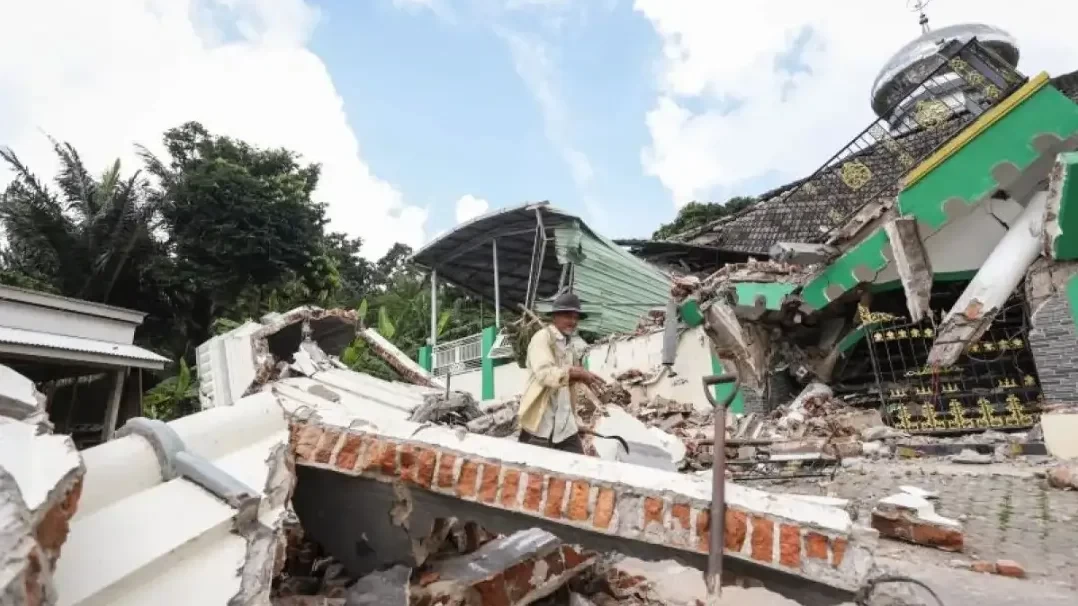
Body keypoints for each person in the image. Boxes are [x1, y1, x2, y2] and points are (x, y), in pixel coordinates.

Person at [517, 292, 604, 454]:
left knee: (577, 469)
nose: (573, 321)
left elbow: (567, 384)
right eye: (568, 316)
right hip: (540, 425)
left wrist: (581, 377)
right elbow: (546, 374)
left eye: (575, 317)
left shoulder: (569, 347)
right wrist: (575, 373)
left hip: (565, 427)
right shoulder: (542, 338)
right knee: (534, 475)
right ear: (555, 317)